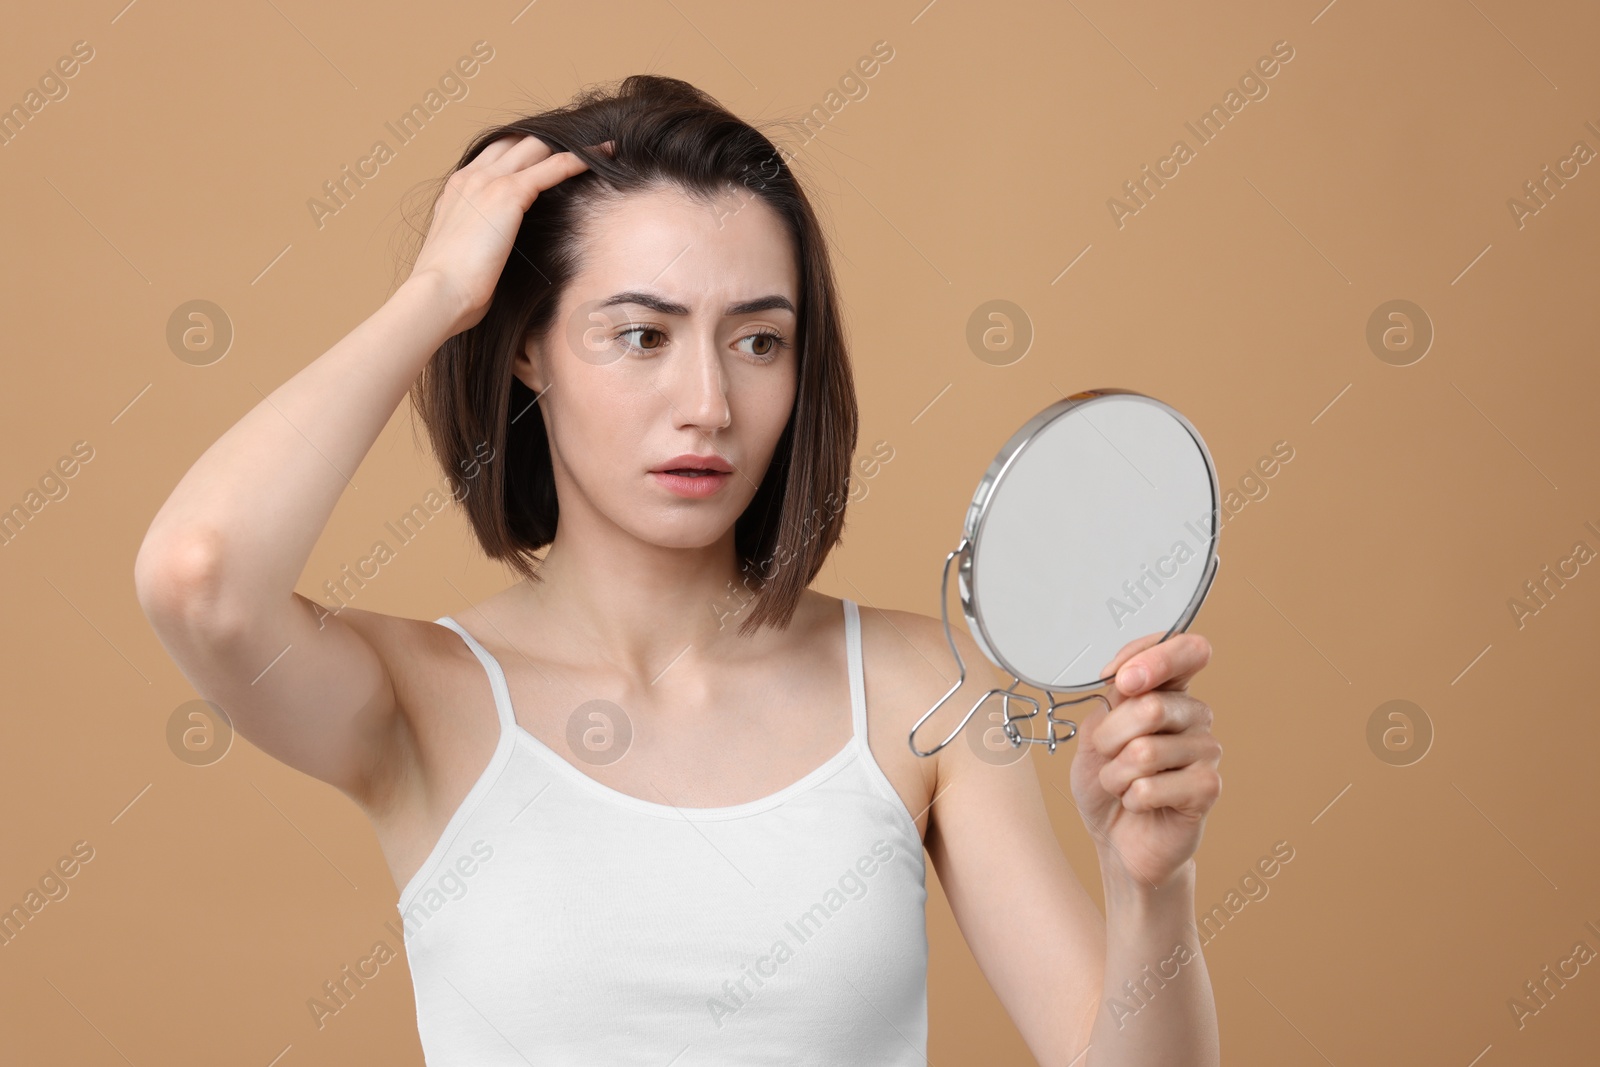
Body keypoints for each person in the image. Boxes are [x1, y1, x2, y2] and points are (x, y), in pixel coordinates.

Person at [134, 74, 1223, 1066]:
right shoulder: (423, 700)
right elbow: (199, 577)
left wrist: (1149, 888)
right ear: (527, 346)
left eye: (757, 341)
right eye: (641, 335)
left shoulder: (921, 690)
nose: (707, 402)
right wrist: (436, 296)